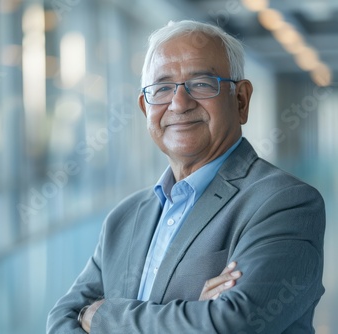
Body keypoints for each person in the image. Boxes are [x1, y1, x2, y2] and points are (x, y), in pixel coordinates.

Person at [46, 20, 325, 333]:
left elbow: (231, 324)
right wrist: (192, 313)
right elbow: (61, 319)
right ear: (145, 108)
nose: (179, 103)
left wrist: (102, 318)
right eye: (162, 88)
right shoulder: (123, 218)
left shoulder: (285, 203)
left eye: (202, 84)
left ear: (241, 100)